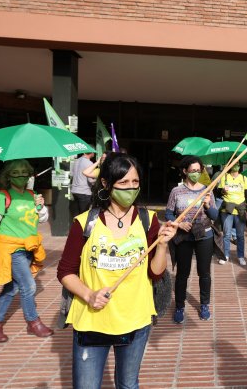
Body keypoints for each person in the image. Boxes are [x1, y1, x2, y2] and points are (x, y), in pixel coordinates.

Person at [57, 153, 177, 388]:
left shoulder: (148, 220)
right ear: (105, 183)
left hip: (136, 320)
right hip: (92, 321)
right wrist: (89, 295)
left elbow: (155, 272)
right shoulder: (84, 222)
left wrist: (162, 245)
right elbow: (65, 271)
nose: (130, 189)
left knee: (128, 384)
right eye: (123, 183)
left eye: (135, 182)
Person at [0, 159, 53, 342]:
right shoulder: (1, 197)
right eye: (15, 173)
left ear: (29, 175)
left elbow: (41, 219)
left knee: (12, 287)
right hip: (11, 250)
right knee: (28, 286)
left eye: (24, 172)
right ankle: (33, 322)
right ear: (8, 176)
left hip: (28, 248)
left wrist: (40, 207)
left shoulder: (31, 194)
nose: (20, 176)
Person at [165, 156, 218, 323]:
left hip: (204, 235)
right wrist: (178, 224)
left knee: (204, 273)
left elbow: (215, 216)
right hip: (184, 237)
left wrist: (208, 205)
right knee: (182, 274)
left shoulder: (207, 190)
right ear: (184, 171)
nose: (196, 173)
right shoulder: (176, 191)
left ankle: (204, 305)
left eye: (198, 170)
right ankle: (180, 306)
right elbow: (168, 213)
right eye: (192, 171)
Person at [217, 161, 247, 266]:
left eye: (238, 164)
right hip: (227, 210)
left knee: (240, 235)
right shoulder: (225, 177)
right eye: (234, 164)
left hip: (240, 210)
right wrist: (223, 190)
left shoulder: (243, 178)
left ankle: (241, 256)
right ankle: (225, 255)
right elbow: (218, 193)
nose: (236, 166)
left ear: (240, 166)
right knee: (226, 234)